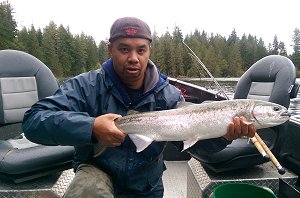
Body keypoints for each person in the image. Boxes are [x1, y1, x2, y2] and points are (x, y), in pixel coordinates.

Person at [22, 17, 256, 197]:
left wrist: (224, 137)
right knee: (88, 189)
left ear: (148, 52)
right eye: (124, 49)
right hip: (96, 171)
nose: (133, 57)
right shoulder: (85, 86)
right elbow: (34, 121)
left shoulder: (169, 96)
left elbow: (197, 150)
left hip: (146, 183)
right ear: (110, 50)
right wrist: (91, 127)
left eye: (140, 50)